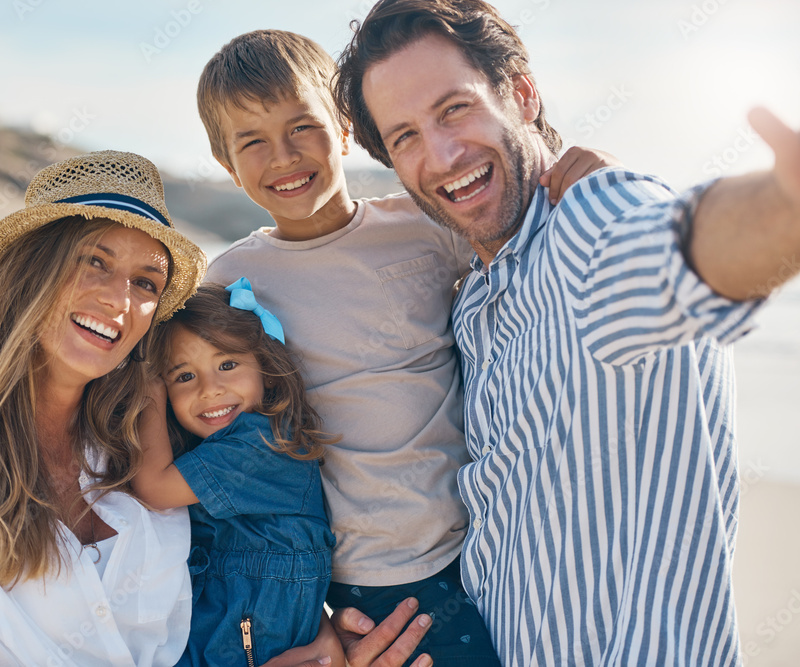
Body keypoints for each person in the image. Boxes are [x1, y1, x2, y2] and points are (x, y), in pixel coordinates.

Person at [332, 0, 800, 664]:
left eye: (454, 108)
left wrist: (784, 210)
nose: (440, 154)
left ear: (522, 94)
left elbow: (679, 246)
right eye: (405, 135)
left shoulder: (592, 218)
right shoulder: (473, 303)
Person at [198, 29, 615, 667]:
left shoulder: (423, 227)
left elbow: (526, 235)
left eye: (301, 127)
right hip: (362, 568)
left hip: (486, 538)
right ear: (227, 165)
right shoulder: (232, 281)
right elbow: (202, 406)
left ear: (343, 129)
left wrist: (590, 172)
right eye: (251, 142)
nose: (282, 156)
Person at [0, 150, 208, 666]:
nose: (120, 300)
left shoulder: (150, 444)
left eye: (145, 283)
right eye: (94, 260)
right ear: (33, 271)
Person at [132, 279, 339, 666]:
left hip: (245, 647)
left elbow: (155, 488)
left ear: (266, 367)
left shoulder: (263, 443)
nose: (210, 389)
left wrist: (148, 393)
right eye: (184, 376)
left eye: (227, 364)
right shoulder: (212, 450)